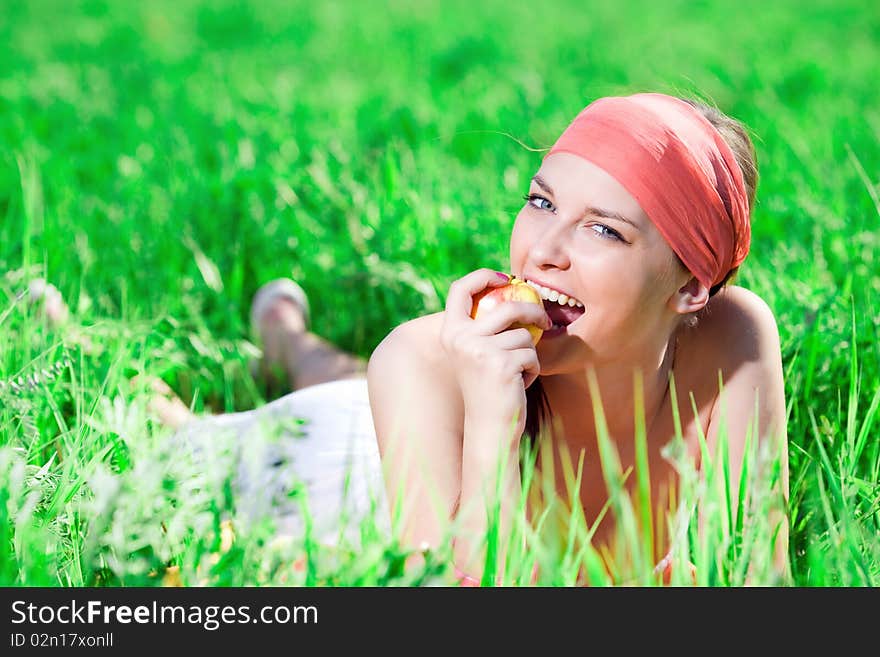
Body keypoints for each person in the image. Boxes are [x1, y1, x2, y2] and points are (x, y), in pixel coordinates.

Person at [149, 92, 790, 585]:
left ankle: (284, 336)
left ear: (691, 290)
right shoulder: (425, 362)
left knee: (349, 379)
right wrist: (491, 423)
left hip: (398, 413)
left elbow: (758, 580)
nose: (542, 251)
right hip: (350, 473)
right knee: (185, 439)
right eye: (542, 203)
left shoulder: (731, 337)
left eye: (604, 231)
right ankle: (275, 340)